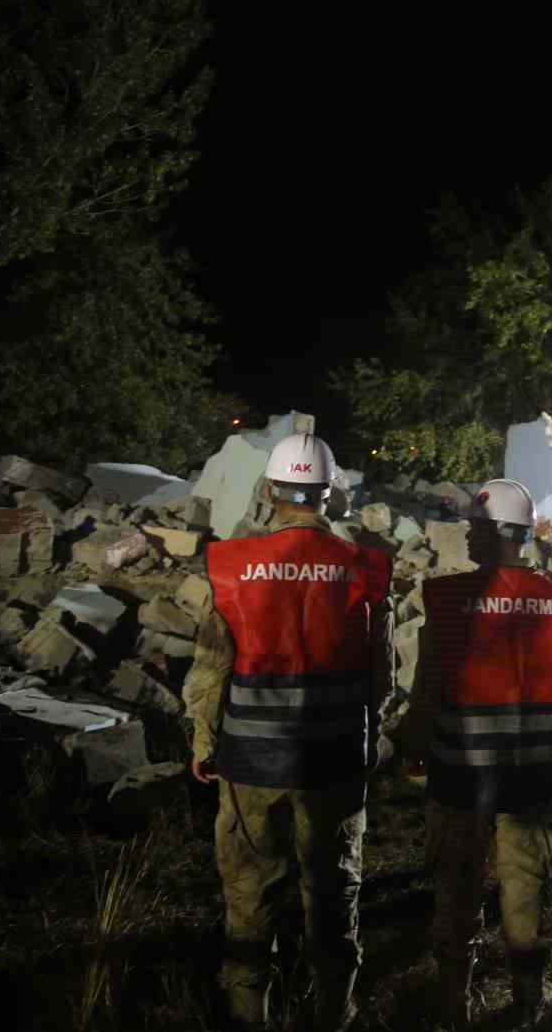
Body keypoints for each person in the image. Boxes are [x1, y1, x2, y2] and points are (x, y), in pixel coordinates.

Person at [183, 433, 393, 1032]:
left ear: (270, 490)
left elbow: (211, 666)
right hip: (333, 761)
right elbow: (383, 674)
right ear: (330, 495)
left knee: (250, 895)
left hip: (250, 759)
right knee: (332, 894)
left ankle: (251, 1013)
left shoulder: (230, 564)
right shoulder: (365, 567)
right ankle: (333, 1013)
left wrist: (204, 741)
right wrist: (371, 738)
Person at [401, 480, 552, 1027]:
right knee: (525, 885)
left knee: (458, 887)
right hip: (533, 773)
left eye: (473, 528)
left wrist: (413, 748)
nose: (467, 537)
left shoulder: (450, 595)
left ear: (492, 532)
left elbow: (427, 683)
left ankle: (452, 1004)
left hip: (462, 774)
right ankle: (527, 1002)